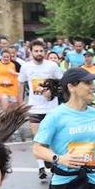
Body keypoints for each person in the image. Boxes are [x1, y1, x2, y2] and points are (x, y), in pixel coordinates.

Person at [20, 40, 63, 179]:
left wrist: (51, 92)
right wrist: (21, 102)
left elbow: (62, 83)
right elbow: (21, 84)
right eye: (36, 51)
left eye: (41, 51)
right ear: (31, 52)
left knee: (51, 138)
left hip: (51, 109)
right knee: (37, 139)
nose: (39, 53)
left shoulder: (52, 66)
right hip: (34, 108)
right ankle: (41, 168)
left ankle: (50, 160)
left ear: (45, 52)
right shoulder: (26, 67)